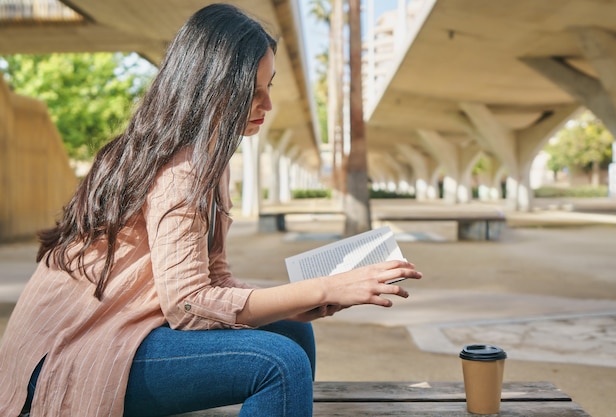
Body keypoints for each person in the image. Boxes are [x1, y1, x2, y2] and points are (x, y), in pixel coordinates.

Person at [0, 3, 422, 417]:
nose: (267, 105)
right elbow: (189, 307)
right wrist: (324, 289)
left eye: (269, 87)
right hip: (69, 354)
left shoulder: (205, 159)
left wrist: (294, 302)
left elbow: (212, 279)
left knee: (294, 329)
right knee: (278, 364)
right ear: (212, 90)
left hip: (122, 329)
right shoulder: (180, 171)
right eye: (251, 93)